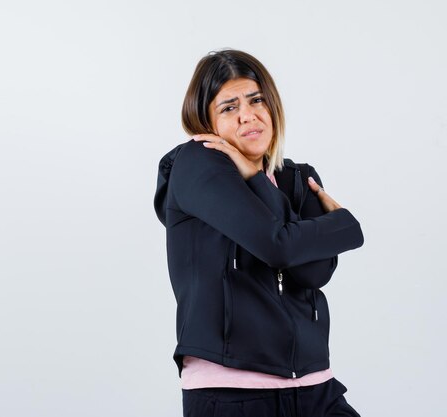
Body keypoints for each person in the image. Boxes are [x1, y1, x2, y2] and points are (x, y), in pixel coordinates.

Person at [153, 49, 365, 417]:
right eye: (229, 107)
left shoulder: (296, 177)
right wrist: (345, 224)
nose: (247, 115)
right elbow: (277, 246)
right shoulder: (196, 164)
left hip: (315, 386)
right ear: (207, 121)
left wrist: (257, 178)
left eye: (256, 100)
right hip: (232, 391)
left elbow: (312, 273)